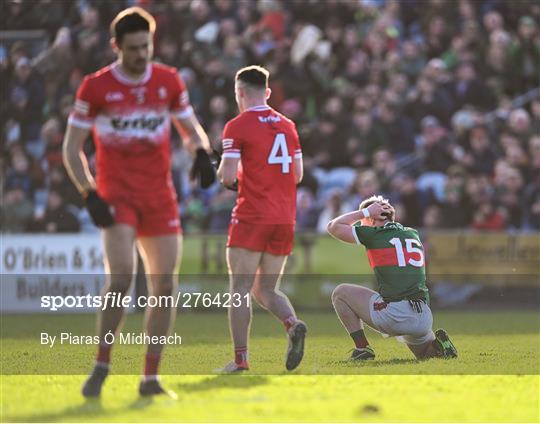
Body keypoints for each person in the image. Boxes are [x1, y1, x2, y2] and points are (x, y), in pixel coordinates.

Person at [62, 7, 215, 397]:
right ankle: (102, 362)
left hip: (159, 196)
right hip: (116, 195)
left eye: (146, 46)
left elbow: (189, 126)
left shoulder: (168, 80)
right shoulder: (95, 87)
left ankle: (150, 377)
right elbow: (71, 149)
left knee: (165, 286)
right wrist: (88, 192)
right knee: (121, 277)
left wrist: (200, 150)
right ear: (116, 47)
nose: (141, 55)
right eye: (133, 49)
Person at [216, 65, 306, 372]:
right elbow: (297, 175)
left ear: (239, 92)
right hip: (284, 218)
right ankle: (292, 324)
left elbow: (228, 177)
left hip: (252, 215)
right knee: (265, 288)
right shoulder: (288, 125)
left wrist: (231, 175)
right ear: (267, 92)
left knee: (239, 288)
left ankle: (240, 360)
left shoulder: (237, 126)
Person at [326, 195, 457, 361]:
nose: (360, 224)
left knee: (340, 293)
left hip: (396, 314)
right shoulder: (412, 233)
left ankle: (362, 349)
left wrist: (365, 211)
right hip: (423, 315)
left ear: (372, 218)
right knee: (424, 355)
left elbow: (333, 227)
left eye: (363, 220)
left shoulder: (375, 233)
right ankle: (438, 347)